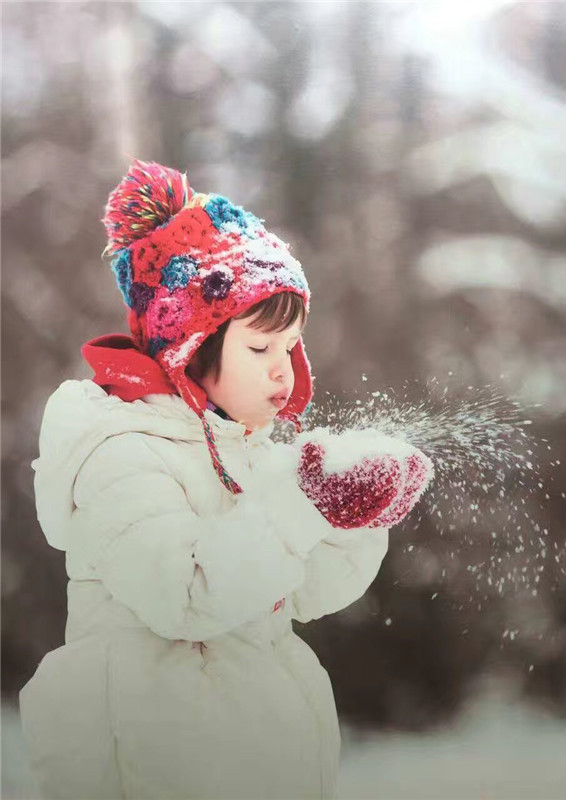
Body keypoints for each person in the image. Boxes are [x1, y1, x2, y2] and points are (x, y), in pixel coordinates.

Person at [19, 159, 434, 800]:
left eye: (291, 347)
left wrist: (354, 521)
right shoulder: (120, 453)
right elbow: (185, 596)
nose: (284, 372)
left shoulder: (247, 450)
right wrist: (303, 508)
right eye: (260, 349)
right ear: (190, 348)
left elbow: (302, 593)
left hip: (256, 754)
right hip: (150, 760)